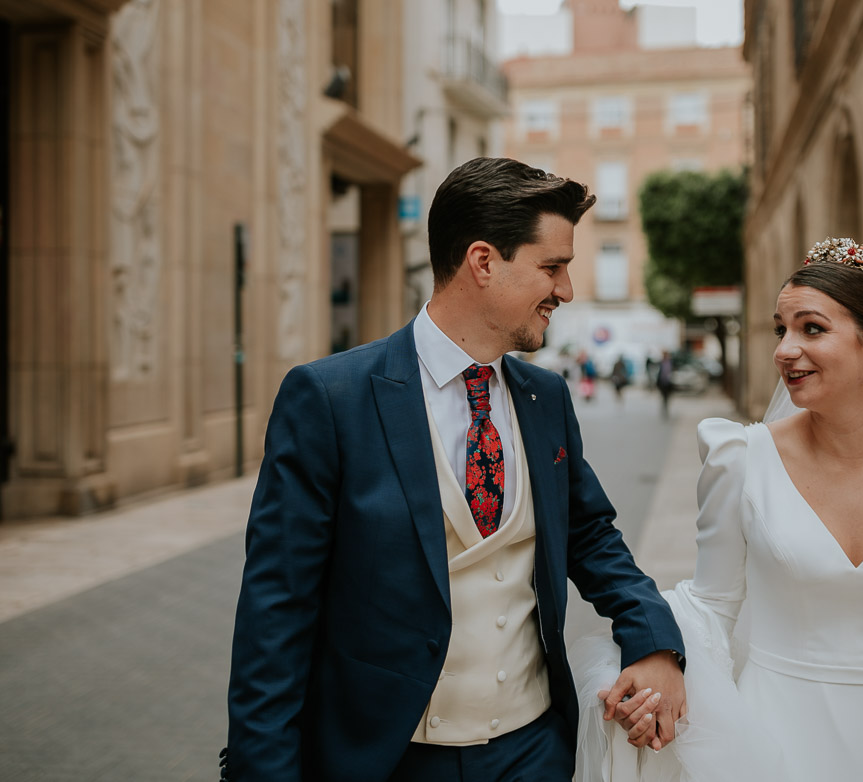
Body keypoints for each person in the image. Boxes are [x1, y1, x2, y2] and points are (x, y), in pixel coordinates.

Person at [222, 158, 686, 782]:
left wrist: (653, 639)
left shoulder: (544, 397)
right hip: (388, 758)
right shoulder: (330, 399)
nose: (567, 290)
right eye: (552, 267)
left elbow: (590, 534)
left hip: (534, 751)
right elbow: (275, 612)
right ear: (484, 262)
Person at [574, 237, 863, 782]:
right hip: (774, 741)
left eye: (811, 328)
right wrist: (657, 656)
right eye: (781, 329)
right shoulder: (741, 459)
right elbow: (713, 605)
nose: (784, 349)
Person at [655, 351, 674, 417]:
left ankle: (666, 408)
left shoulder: (671, 362)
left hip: (669, 383)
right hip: (662, 383)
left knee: (667, 397)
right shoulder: (661, 362)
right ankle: (664, 408)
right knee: (663, 397)